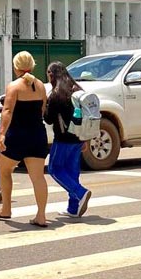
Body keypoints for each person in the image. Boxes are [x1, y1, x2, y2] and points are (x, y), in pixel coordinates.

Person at [0, 51, 49, 227]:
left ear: (16, 68)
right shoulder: (40, 86)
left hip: (17, 135)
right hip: (37, 135)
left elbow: (7, 111)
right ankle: (41, 215)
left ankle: (6, 208)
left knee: (4, 170)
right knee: (38, 177)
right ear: (32, 66)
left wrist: (1, 134)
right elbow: (42, 110)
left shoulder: (14, 86)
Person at [44, 61, 91, 218]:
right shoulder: (77, 90)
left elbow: (49, 119)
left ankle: (80, 192)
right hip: (78, 138)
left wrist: (44, 106)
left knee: (54, 169)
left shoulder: (56, 95)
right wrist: (85, 138)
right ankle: (73, 208)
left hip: (63, 139)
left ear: (51, 75)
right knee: (72, 172)